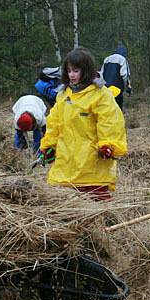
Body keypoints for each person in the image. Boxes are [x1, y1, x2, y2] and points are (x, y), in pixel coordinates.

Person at [39, 47, 127, 200]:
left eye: (75, 71)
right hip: (67, 159)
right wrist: (48, 145)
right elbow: (54, 123)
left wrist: (108, 145)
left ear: (86, 71)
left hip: (92, 160)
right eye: (68, 71)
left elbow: (110, 121)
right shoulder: (63, 95)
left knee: (97, 202)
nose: (71, 75)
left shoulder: (101, 94)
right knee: (65, 204)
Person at [99, 44, 131, 110]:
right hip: (117, 88)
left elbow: (101, 74)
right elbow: (125, 75)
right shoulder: (123, 59)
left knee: (107, 107)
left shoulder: (107, 59)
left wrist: (101, 86)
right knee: (118, 108)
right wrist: (128, 88)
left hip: (106, 88)